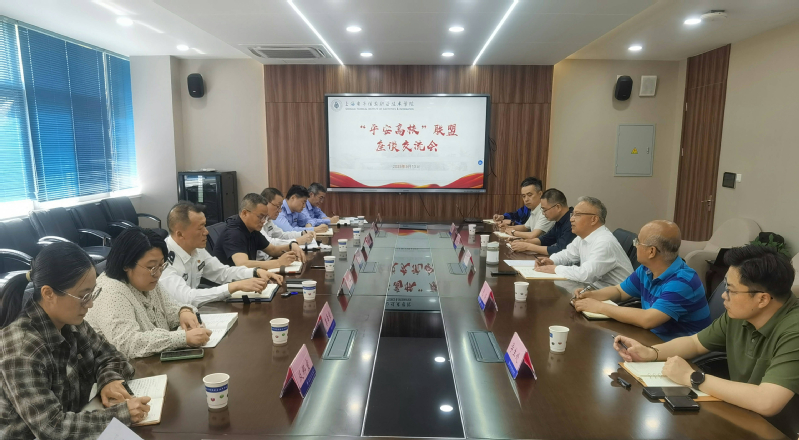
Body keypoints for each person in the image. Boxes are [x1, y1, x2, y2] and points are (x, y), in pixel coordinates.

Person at [614, 245, 798, 417]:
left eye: (731, 290)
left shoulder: (794, 330)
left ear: (762, 299)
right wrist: (651, 352)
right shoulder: (741, 314)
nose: (724, 295)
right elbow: (695, 343)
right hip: (741, 411)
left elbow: (767, 401)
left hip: (781, 426)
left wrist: (691, 377)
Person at [0, 242, 152, 439]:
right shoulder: (21, 349)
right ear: (48, 293)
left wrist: (109, 380)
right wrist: (122, 414)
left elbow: (112, 356)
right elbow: (52, 428)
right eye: (84, 296)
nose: (90, 304)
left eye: (92, 293)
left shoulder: (72, 322)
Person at [572, 220, 712, 341]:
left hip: (680, 353)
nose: (635, 245)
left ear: (651, 251)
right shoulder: (646, 269)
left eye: (638, 242)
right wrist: (592, 295)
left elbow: (648, 319)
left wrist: (599, 307)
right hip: (653, 339)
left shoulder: (682, 282)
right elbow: (619, 291)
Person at [85, 228, 213, 358]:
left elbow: (169, 309)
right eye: (151, 267)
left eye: (161, 265)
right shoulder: (111, 292)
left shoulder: (147, 281)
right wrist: (183, 338)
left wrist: (184, 312)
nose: (158, 274)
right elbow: (128, 344)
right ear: (126, 265)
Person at [160, 202, 276, 307]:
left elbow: (222, 272)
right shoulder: (162, 259)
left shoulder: (196, 249)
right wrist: (235, 286)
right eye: (200, 228)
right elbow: (188, 298)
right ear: (180, 234)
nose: (206, 232)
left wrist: (255, 272)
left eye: (205, 225)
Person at [535, 196, 633, 288]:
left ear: (594, 219)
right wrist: (552, 260)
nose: (571, 219)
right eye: (572, 214)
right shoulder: (582, 237)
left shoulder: (605, 242)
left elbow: (586, 274)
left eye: (577, 215)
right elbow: (568, 254)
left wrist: (555, 269)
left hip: (616, 296)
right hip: (594, 289)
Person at [213, 193, 307, 270]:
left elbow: (273, 250)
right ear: (245, 213)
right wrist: (278, 263)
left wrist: (292, 245)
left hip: (244, 279)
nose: (263, 221)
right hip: (227, 284)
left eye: (265, 217)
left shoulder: (252, 229)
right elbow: (242, 264)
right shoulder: (233, 233)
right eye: (260, 216)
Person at [509, 188, 576, 255]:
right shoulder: (560, 220)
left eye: (545, 210)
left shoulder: (572, 222)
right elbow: (546, 239)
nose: (543, 213)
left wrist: (528, 247)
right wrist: (525, 242)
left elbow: (560, 249)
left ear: (558, 207)